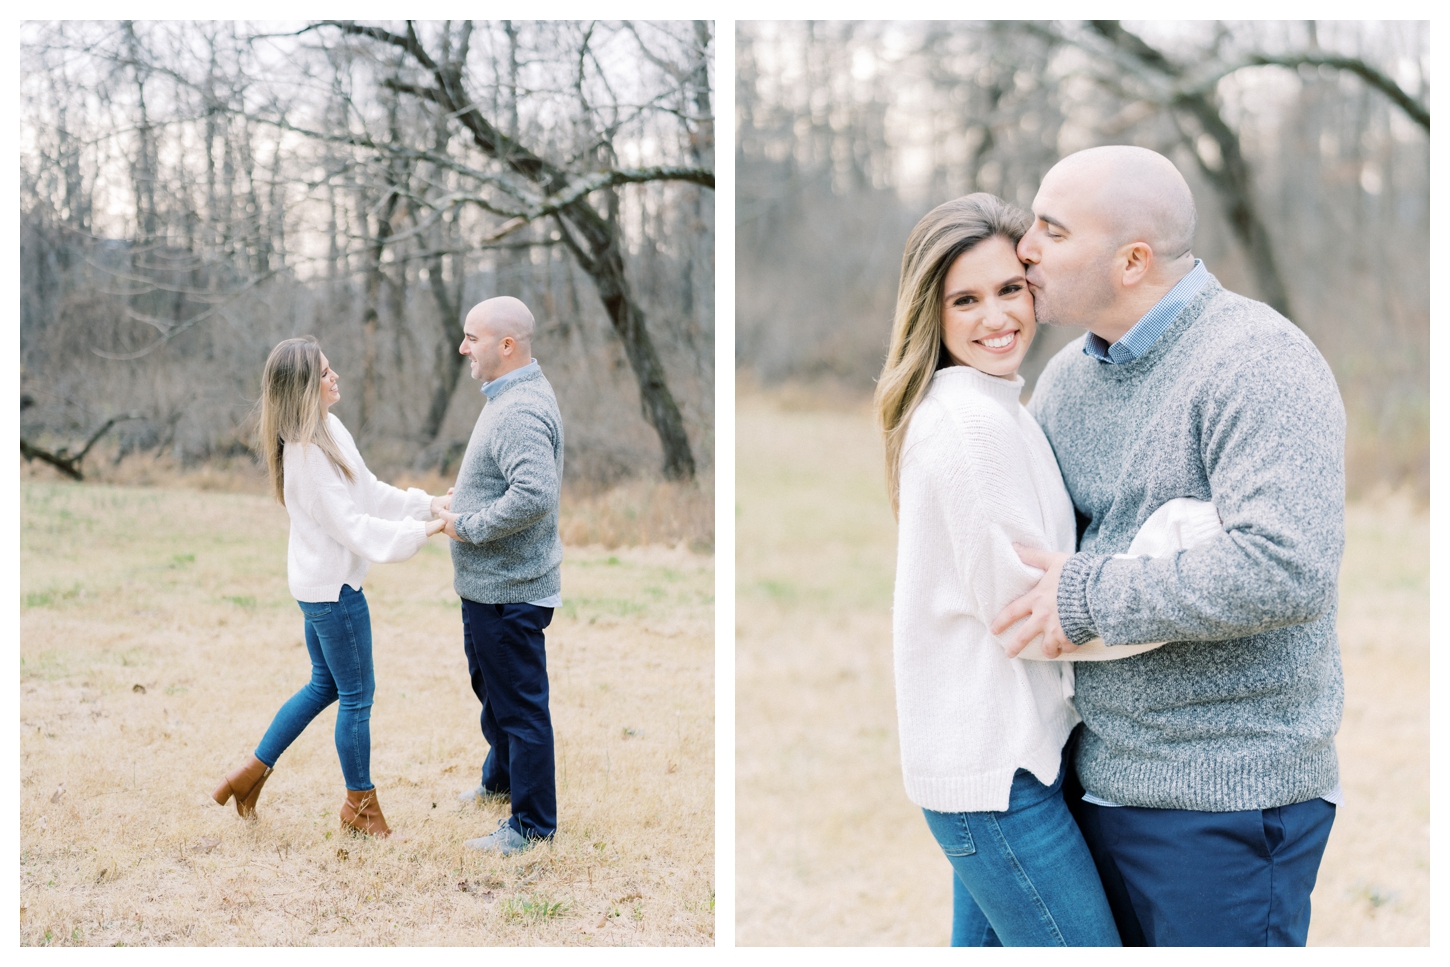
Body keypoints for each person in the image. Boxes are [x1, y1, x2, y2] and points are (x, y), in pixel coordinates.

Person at [992, 145, 1345, 946]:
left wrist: (1086, 598)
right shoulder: (1065, 382)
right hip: (1091, 780)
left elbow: (1286, 565)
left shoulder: (1257, 362)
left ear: (1132, 260)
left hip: (1226, 801)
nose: (1026, 249)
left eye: (1051, 228)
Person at [874, 193, 1121, 946]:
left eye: (1009, 289)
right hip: (995, 778)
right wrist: (1166, 601)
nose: (996, 317)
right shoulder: (969, 426)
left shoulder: (1002, 407)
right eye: (967, 299)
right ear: (933, 311)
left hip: (1011, 760)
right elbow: (1029, 617)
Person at [213, 337, 450, 838]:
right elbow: (354, 528)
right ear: (303, 387)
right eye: (324, 373)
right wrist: (424, 532)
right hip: (332, 593)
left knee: (326, 685)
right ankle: (360, 806)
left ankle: (250, 774)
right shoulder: (308, 457)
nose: (335, 376)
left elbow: (369, 491)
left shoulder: (327, 431)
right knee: (357, 697)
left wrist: (428, 506)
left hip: (318, 585)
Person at [438, 296, 564, 857]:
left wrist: (467, 525)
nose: (463, 347)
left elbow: (534, 495)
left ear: (506, 345)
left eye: (473, 337)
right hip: (490, 588)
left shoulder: (517, 408)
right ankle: (501, 782)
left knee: (519, 707)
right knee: (494, 694)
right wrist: (459, 501)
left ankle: (531, 826)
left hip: (511, 591)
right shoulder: (510, 396)